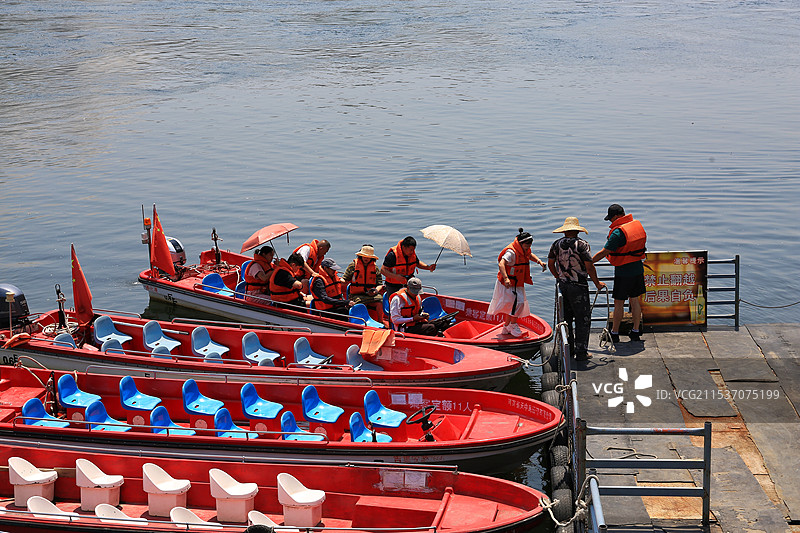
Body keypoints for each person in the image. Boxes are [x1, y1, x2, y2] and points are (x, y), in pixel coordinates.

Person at [548, 217, 606, 361]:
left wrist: (558, 276)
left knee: (565, 319)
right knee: (582, 319)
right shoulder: (582, 244)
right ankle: (581, 353)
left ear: (565, 231)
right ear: (577, 231)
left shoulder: (556, 244)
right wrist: (597, 283)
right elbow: (589, 266)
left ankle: (568, 350)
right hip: (579, 287)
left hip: (563, 286)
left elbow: (550, 263)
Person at [592, 204, 647, 342]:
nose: (611, 222)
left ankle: (615, 333)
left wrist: (589, 262)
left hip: (623, 272)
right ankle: (635, 331)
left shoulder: (618, 232)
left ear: (616, 216)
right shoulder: (636, 225)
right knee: (635, 300)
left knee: (619, 302)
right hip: (638, 269)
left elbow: (605, 252)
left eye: (611, 219)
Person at [487, 228, 546, 337]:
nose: (528, 248)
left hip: (517, 282)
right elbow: (501, 264)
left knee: (513, 305)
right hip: (508, 283)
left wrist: (539, 262)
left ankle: (506, 326)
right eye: (526, 245)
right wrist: (506, 278)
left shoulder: (525, 250)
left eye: (529, 246)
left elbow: (529, 255)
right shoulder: (511, 252)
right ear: (520, 243)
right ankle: (512, 325)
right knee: (518, 304)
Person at [342, 244, 385, 319]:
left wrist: (375, 291)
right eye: (364, 256)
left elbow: (380, 284)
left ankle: (380, 321)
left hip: (371, 294)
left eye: (369, 257)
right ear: (361, 255)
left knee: (380, 301)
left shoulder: (375, 268)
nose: (366, 258)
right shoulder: (353, 266)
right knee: (359, 303)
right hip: (356, 294)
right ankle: (360, 321)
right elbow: (345, 279)